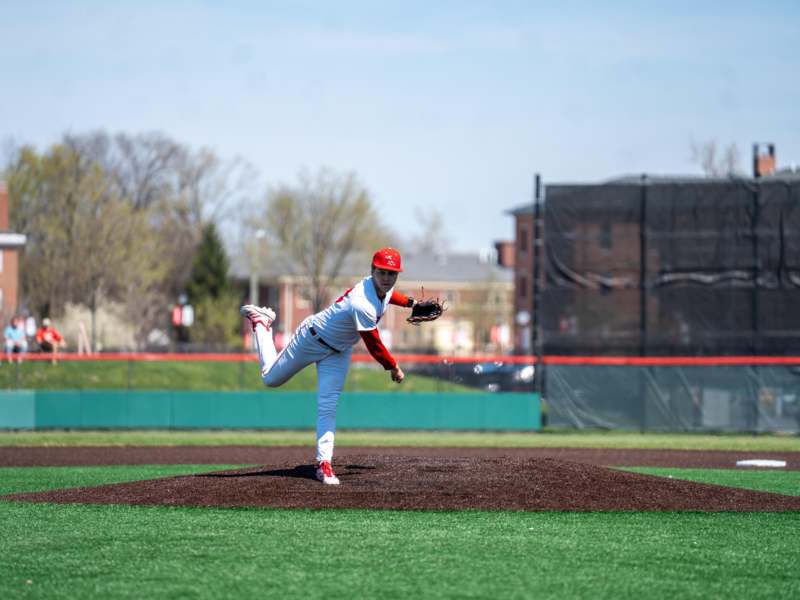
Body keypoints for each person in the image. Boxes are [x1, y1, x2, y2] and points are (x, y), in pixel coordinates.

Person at [240, 247, 417, 485]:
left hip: (338, 352)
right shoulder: (361, 302)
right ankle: (262, 324)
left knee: (328, 406)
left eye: (392, 273)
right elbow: (373, 343)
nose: (387, 278)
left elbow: (391, 295)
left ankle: (324, 464)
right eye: (382, 272)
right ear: (372, 271)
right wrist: (393, 366)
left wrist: (412, 303)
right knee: (270, 379)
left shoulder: (383, 288)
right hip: (312, 339)